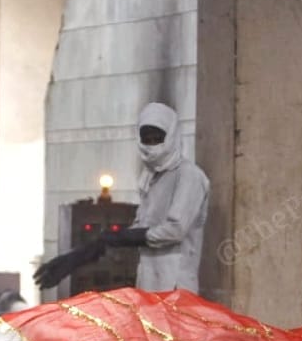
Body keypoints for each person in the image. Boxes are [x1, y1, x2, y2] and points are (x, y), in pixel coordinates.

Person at [34, 102, 210, 293]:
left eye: (157, 139)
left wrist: (122, 237)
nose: (152, 146)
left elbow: (174, 230)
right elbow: (141, 227)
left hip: (177, 286)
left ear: (171, 136)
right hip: (149, 284)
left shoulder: (189, 176)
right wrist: (88, 250)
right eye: (147, 139)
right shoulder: (151, 177)